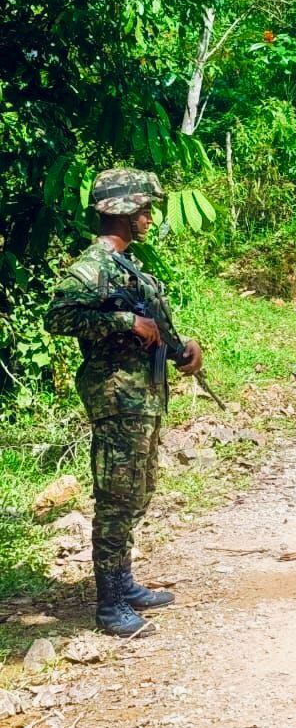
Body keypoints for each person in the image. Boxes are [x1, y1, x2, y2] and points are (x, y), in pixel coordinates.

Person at [45, 168, 204, 636]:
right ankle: (111, 605)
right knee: (116, 497)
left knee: (137, 491)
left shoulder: (127, 266)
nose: (149, 218)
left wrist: (182, 349)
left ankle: (125, 583)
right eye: (144, 209)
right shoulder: (93, 266)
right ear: (122, 211)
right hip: (117, 397)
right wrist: (125, 323)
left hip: (142, 398)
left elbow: (154, 327)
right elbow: (59, 316)